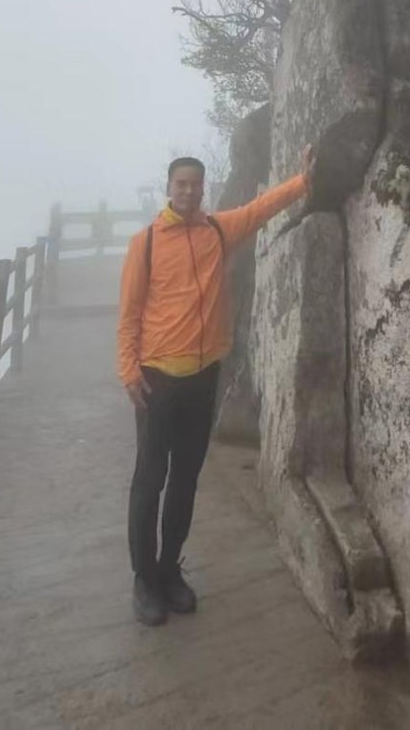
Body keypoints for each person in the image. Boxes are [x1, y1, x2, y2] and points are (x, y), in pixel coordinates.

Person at [117, 145, 315, 626]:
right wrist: (129, 371)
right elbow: (128, 316)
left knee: (185, 481)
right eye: (180, 183)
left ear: (202, 190)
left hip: (204, 378)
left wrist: (304, 180)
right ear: (169, 189)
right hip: (158, 379)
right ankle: (144, 579)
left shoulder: (217, 231)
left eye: (195, 184)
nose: (187, 190)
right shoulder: (144, 244)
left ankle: (169, 571)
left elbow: (258, 210)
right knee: (150, 481)